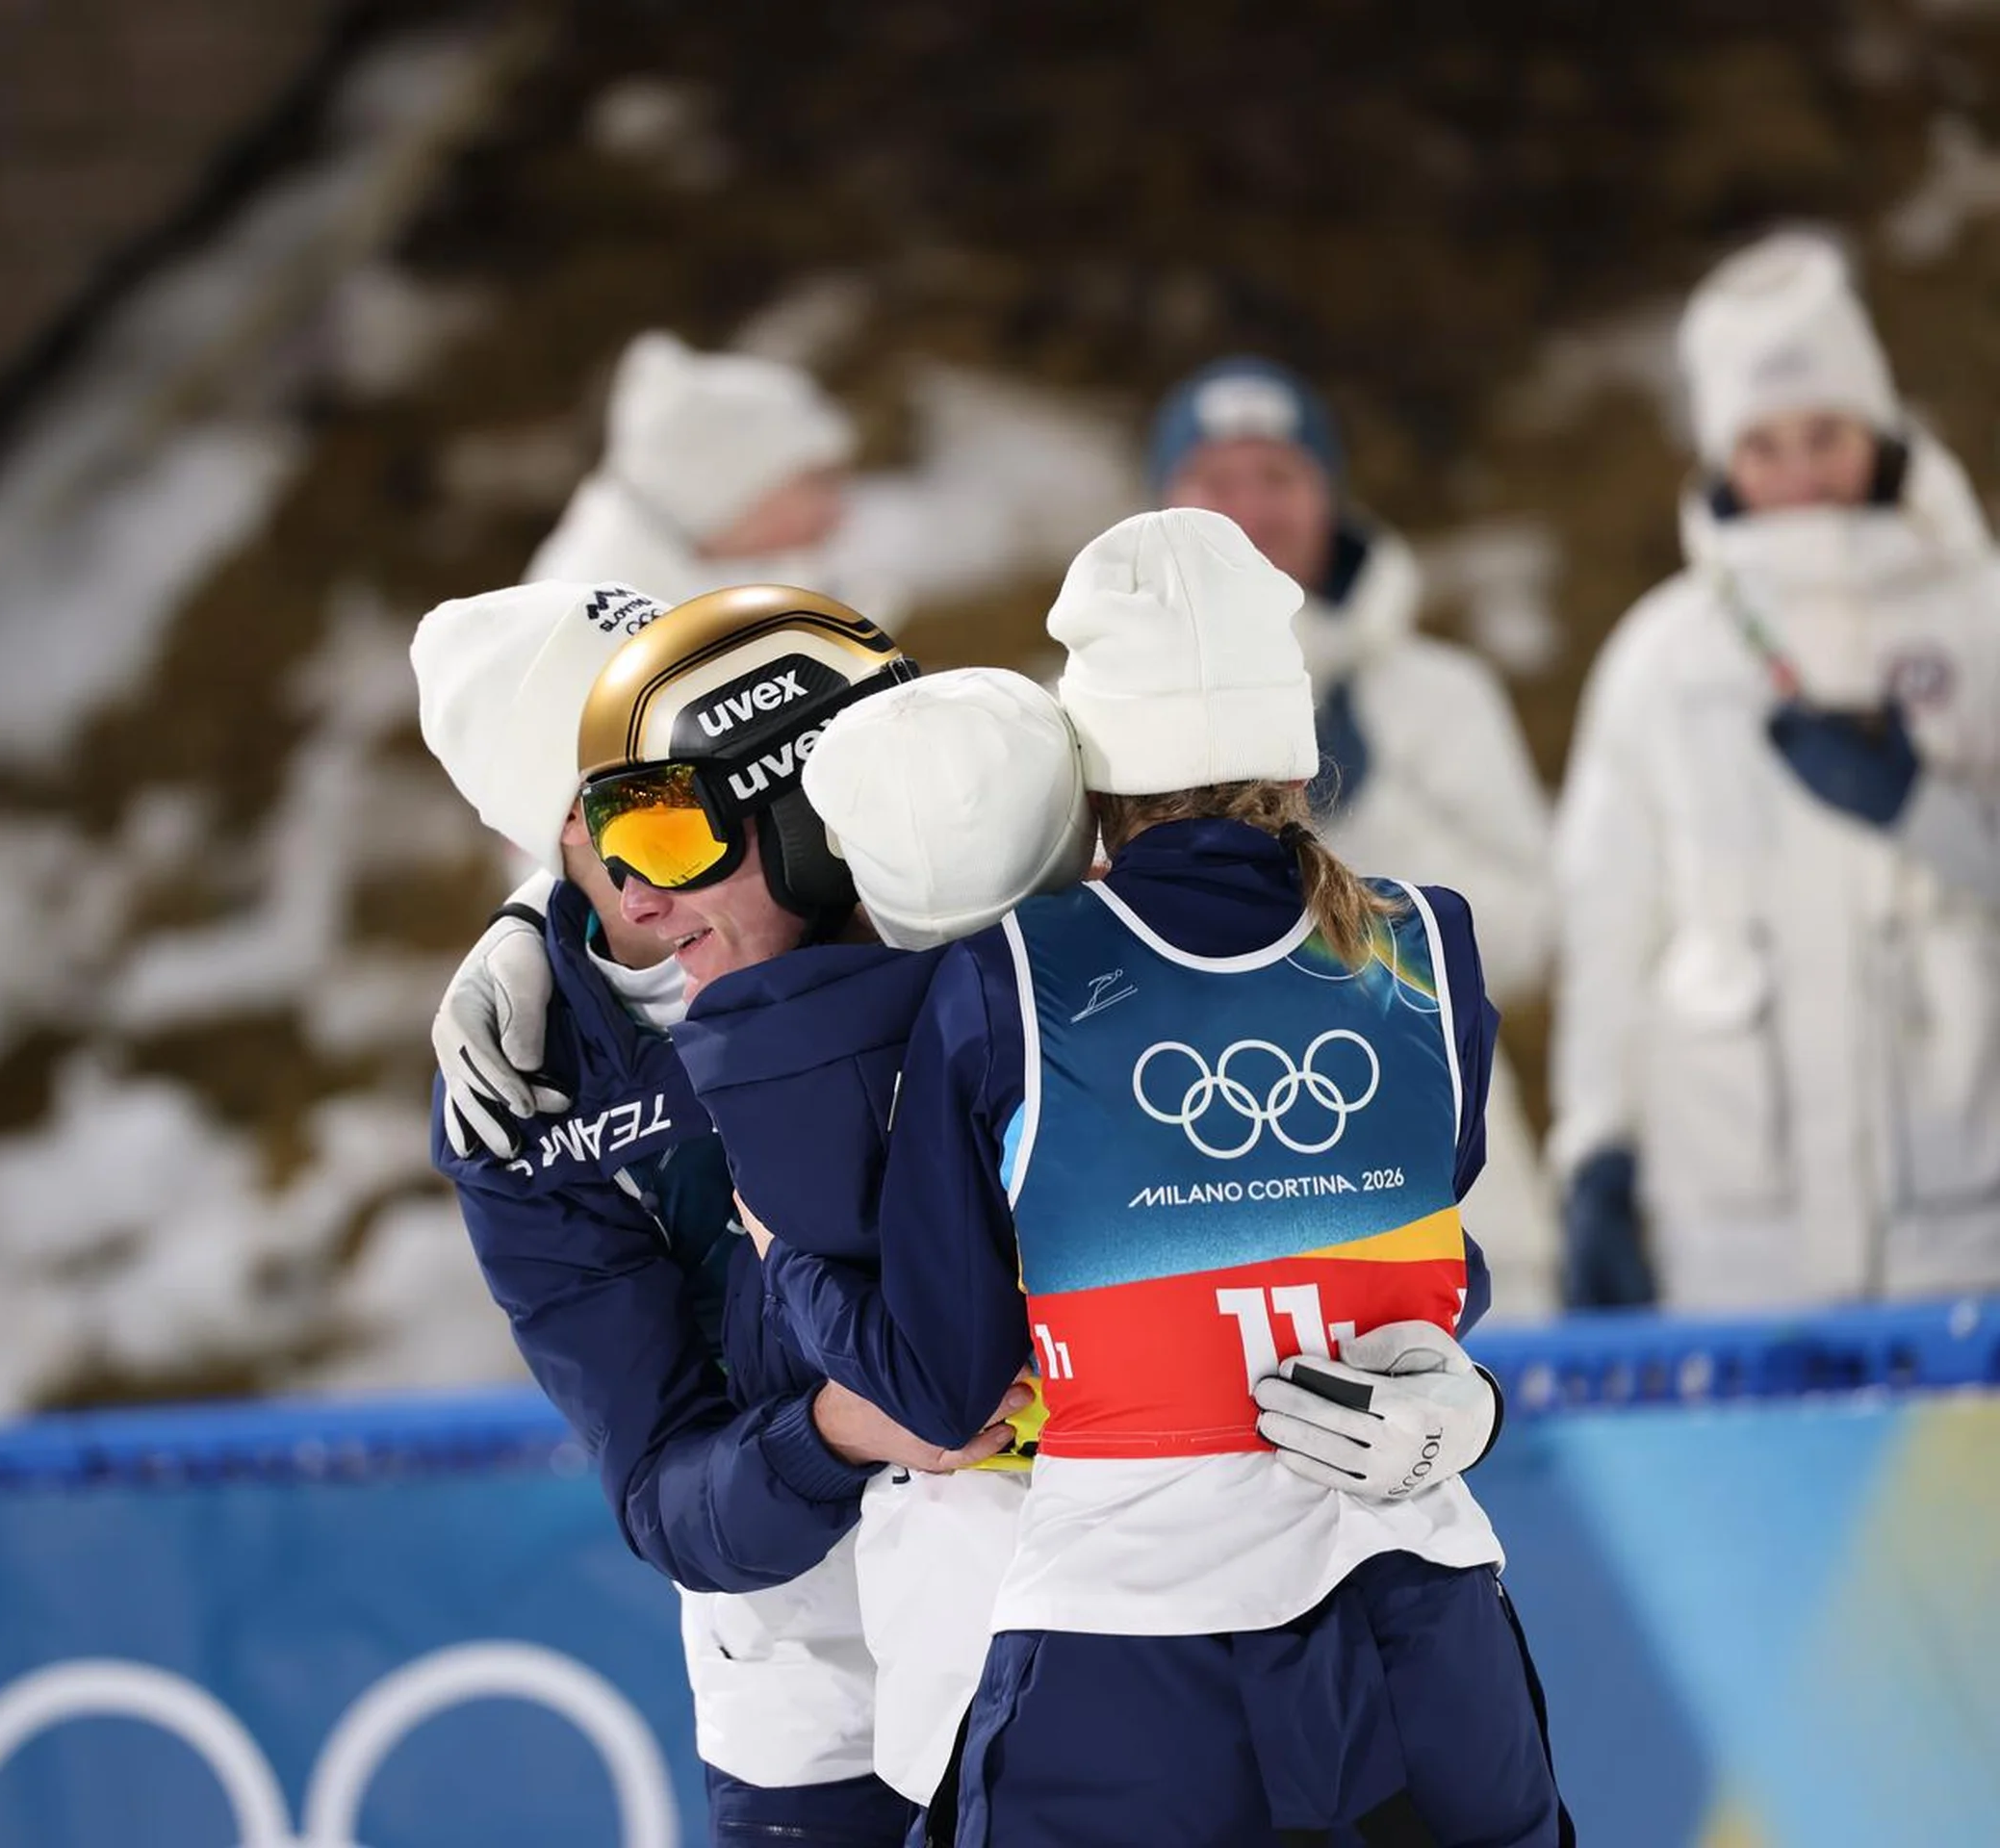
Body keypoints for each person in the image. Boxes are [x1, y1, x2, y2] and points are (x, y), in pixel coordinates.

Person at [620, 512, 1564, 1845]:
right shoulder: (1428, 946)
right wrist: (1461, 1397)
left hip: (1137, 1672)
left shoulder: (1009, 978)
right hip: (1426, 1632)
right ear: (1295, 748)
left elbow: (943, 1380)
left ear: (1091, 769)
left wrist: (790, 1259)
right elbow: (1429, 1265)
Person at [411, 578, 1021, 1847]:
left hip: (1044, 1580)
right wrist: (841, 1430)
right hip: (800, 1673)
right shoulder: (523, 1080)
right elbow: (661, 1487)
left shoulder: (915, 868)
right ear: (556, 834)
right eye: (609, 816)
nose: (651, 869)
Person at [1553, 232, 2000, 1310]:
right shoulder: (1667, 655)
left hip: (1969, 1225)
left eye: (1825, 434)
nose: (1799, 473)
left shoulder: (1983, 622)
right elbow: (1612, 923)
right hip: (1746, 1238)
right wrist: (1597, 1150)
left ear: (1878, 428)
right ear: (1720, 457)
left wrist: (1923, 814)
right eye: (1764, 445)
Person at [1152, 356, 1561, 1316]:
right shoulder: (1086, 706)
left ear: (1327, 494)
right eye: (1217, 479)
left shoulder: (1440, 693)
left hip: (1459, 1202)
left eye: (1280, 476)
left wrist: (1359, 810)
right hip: (1211, 1210)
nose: (1251, 508)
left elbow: (1532, 942)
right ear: (1164, 502)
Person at [529, 330, 870, 608]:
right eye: (816, 483)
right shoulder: (588, 613)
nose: (837, 512)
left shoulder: (774, 576)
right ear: (732, 480)